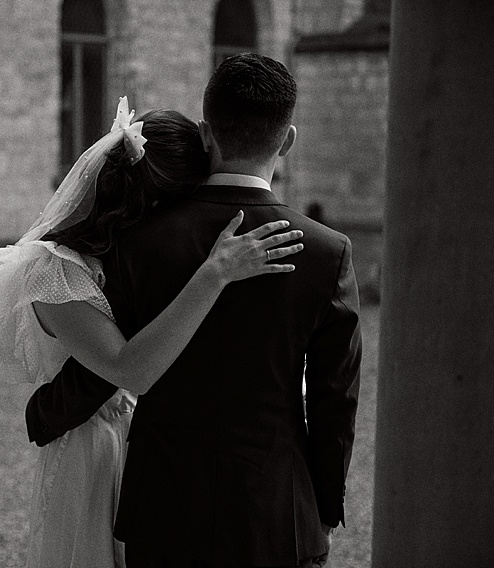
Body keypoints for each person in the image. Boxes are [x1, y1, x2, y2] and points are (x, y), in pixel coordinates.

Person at [26, 54, 362, 568]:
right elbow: (334, 401)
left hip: (161, 510)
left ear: (207, 134)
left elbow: (114, 360)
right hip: (276, 510)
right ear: (288, 140)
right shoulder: (325, 250)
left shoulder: (133, 242)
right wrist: (323, 507)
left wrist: (50, 410)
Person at [0, 96, 305, 568]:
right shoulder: (53, 272)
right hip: (93, 450)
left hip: (149, 440)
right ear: (157, 199)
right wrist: (213, 275)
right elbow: (132, 369)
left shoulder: (130, 261)